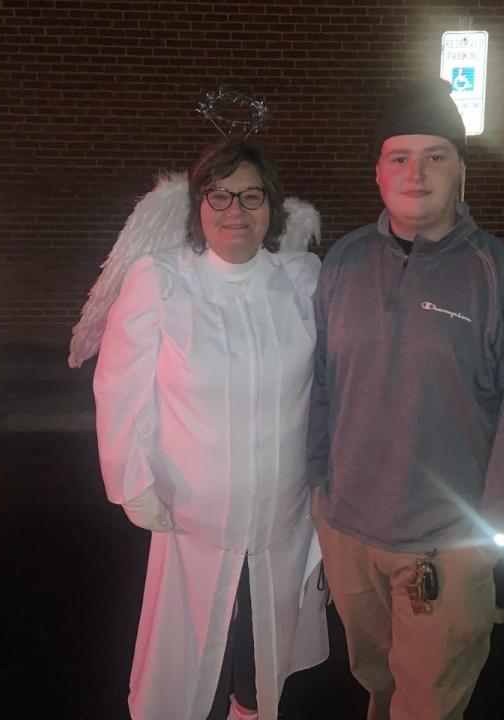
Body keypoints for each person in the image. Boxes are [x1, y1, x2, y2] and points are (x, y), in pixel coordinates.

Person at [307, 78, 504, 720]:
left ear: (461, 172)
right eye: (400, 157)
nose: (416, 172)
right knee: (377, 683)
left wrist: (487, 539)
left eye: (435, 157)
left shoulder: (499, 276)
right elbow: (322, 387)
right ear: (379, 173)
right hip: (349, 534)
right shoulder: (342, 264)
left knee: (428, 703)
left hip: (443, 548)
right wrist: (319, 493)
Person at [93, 139, 328, 720]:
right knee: (190, 652)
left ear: (273, 208)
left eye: (251, 196)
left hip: (281, 512)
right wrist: (133, 480)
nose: (235, 211)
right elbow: (121, 384)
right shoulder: (164, 281)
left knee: (262, 647)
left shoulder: (299, 282)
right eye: (219, 195)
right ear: (198, 205)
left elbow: (336, 379)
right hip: (193, 516)